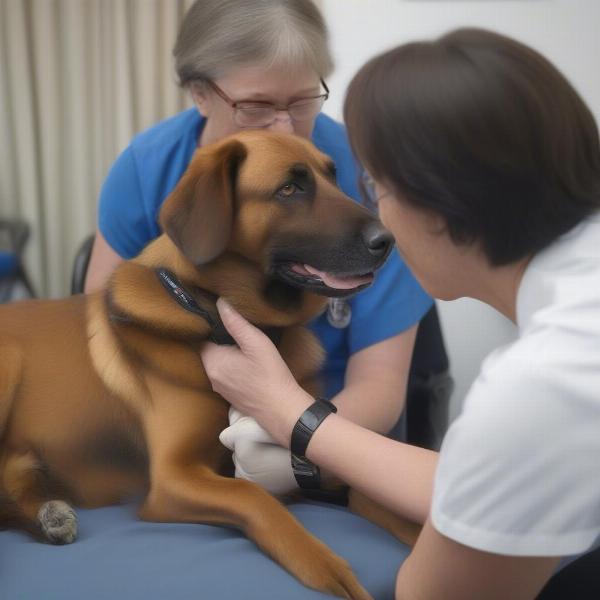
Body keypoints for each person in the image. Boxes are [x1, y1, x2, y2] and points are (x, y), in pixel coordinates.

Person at [199, 28, 600, 599]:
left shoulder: (536, 388)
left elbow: (427, 592)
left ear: (437, 207)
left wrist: (287, 412)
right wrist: (292, 415)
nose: (371, 218)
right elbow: (475, 482)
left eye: (374, 188)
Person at [85, 0, 432, 491]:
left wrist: (291, 442)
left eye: (303, 101)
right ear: (200, 93)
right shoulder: (148, 168)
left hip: (331, 438)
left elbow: (380, 387)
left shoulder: (370, 180)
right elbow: (103, 323)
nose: (285, 127)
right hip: (178, 431)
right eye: (257, 107)